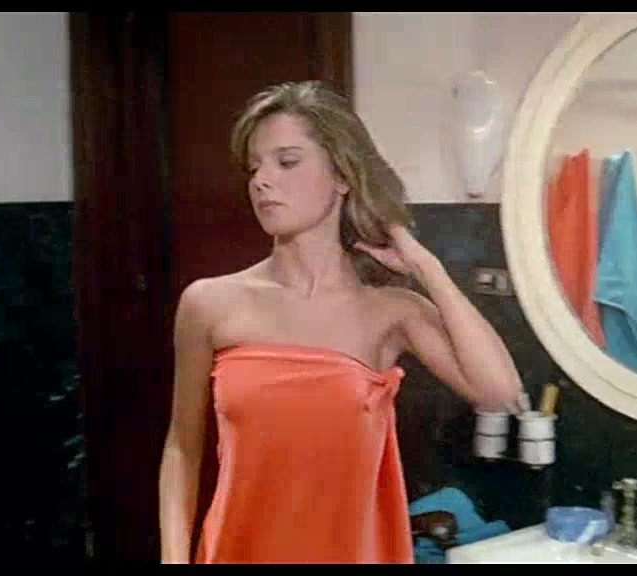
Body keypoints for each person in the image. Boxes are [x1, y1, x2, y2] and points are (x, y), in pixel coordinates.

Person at [157, 80, 523, 564]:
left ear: (342, 176)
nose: (262, 180)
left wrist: (427, 269)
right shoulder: (210, 303)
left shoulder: (391, 311)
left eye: (287, 162)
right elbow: (183, 448)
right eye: (255, 166)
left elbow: (501, 394)